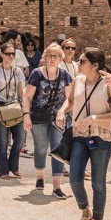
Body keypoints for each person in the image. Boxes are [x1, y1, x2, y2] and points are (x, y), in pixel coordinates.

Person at [65, 46, 111, 220]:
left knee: (98, 183)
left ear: (95, 65)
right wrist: (61, 111)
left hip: (102, 136)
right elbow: (70, 102)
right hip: (80, 135)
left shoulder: (108, 83)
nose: (78, 64)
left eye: (82, 61)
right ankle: (85, 211)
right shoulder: (78, 80)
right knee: (74, 179)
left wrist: (94, 118)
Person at [23, 42, 74, 197]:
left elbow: (69, 99)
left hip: (58, 118)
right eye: (50, 56)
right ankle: (40, 175)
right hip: (38, 116)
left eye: (56, 56)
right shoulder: (37, 74)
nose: (53, 59)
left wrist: (62, 112)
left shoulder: (65, 75)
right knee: (40, 148)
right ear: (45, 57)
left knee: (57, 150)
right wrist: (26, 115)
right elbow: (27, 97)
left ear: (61, 58)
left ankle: (56, 187)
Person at [0, 41, 28, 178]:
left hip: (15, 106)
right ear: (2, 55)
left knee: (20, 138)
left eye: (13, 54)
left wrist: (26, 109)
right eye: (8, 54)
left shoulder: (17, 71)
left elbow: (21, 92)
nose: (11, 56)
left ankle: (13, 166)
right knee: (3, 141)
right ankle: (3, 170)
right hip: (0, 107)